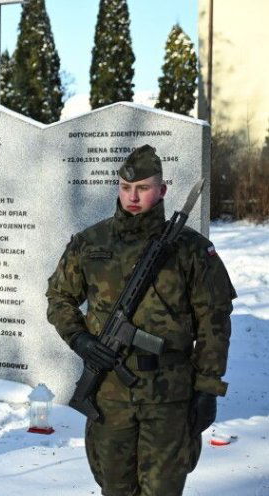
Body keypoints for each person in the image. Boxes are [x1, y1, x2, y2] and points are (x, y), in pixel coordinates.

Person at [46, 144, 236, 496]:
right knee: (114, 487)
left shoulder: (191, 249)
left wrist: (208, 388)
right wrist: (80, 340)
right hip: (109, 394)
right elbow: (59, 298)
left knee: (163, 489)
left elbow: (215, 322)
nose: (132, 197)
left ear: (161, 190)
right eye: (125, 187)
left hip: (170, 396)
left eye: (143, 188)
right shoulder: (90, 243)